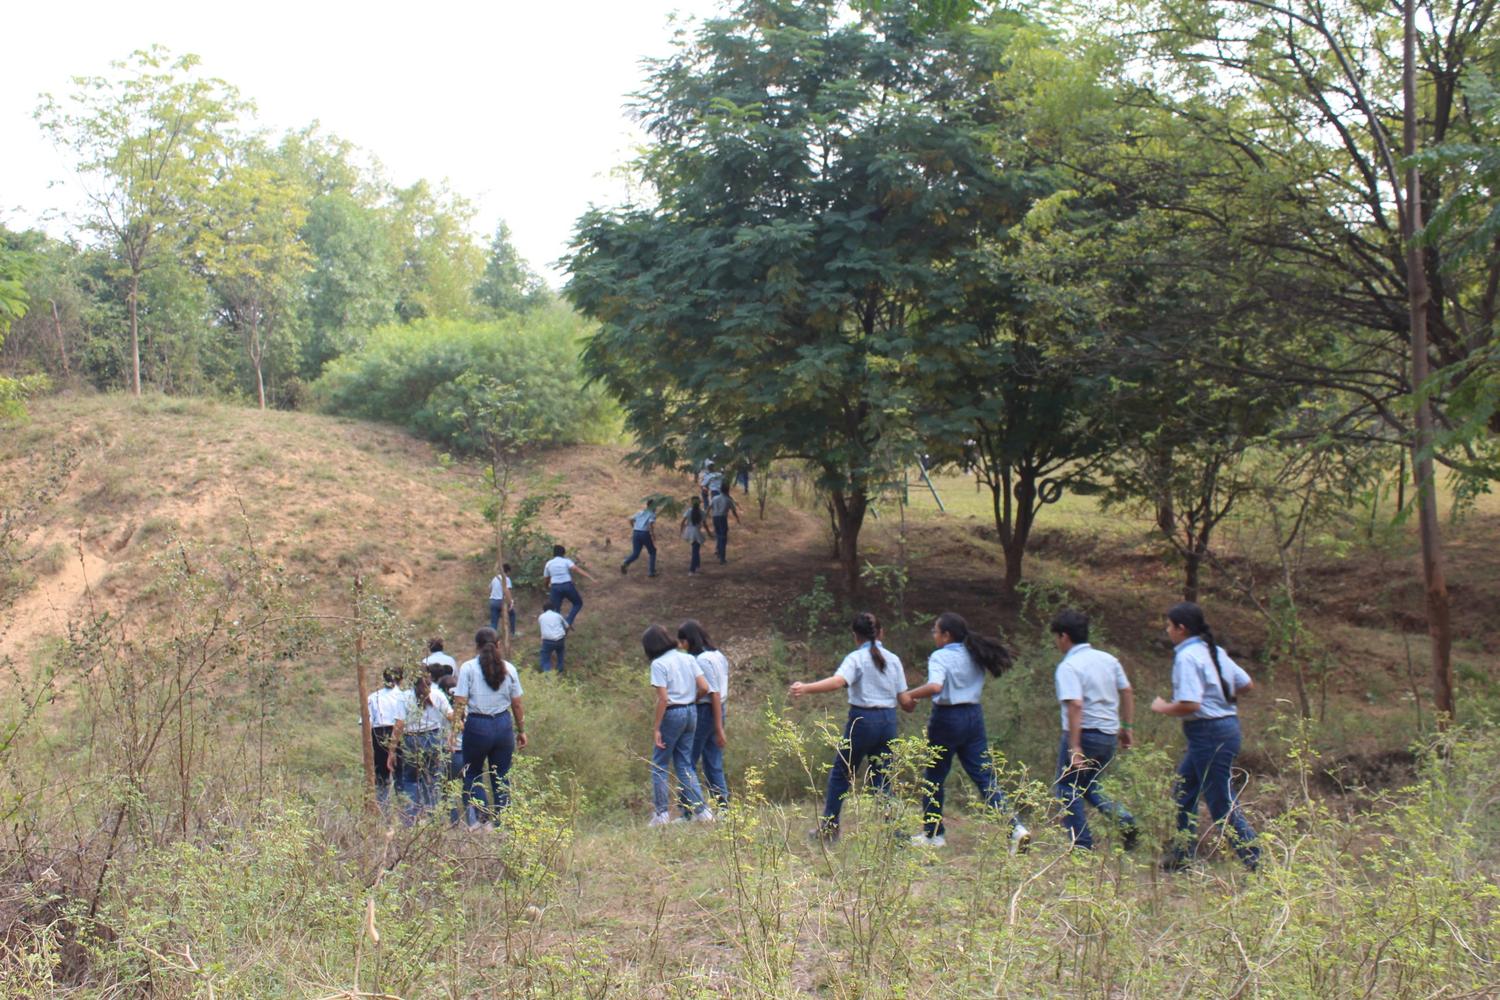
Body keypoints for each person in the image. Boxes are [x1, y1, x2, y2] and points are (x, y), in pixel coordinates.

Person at [899, 612, 1030, 853]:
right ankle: (1015, 829)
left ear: (946, 635)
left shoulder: (940, 656)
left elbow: (936, 686)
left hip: (947, 718)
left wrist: (910, 694)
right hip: (973, 717)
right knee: (984, 777)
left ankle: (933, 834)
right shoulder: (974, 652)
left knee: (935, 777)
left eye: (935, 632)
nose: (934, 636)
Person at [1150, 601, 1259, 871]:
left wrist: (1163, 707)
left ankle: (1256, 861)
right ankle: (1181, 855)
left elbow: (1190, 704)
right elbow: (1246, 683)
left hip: (1209, 732)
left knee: (1220, 800)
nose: (1167, 631)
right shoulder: (1214, 651)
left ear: (1181, 628)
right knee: (1184, 789)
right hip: (1224, 727)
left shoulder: (1187, 657)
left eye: (1169, 626)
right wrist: (1220, 696)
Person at [789, 612, 906, 843]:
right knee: (883, 778)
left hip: (863, 721)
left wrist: (806, 687)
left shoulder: (856, 658)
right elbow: (905, 699)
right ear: (881, 633)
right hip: (889, 721)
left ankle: (830, 829)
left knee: (841, 774)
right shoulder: (893, 659)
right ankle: (895, 834)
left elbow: (838, 681)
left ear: (855, 636)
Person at [1050, 609, 1138, 851]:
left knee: (1067, 788)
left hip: (1084, 734)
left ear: (1064, 637)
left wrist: (1075, 745)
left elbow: (1076, 704)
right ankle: (1125, 820)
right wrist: (1127, 727)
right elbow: (1127, 690)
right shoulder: (1108, 660)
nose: (1057, 643)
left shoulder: (1069, 666)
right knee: (1090, 786)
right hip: (1108, 735)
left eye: (1056, 637)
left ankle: (1082, 845)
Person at [450, 627, 527, 826]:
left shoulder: (468, 668)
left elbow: (460, 700)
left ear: (477, 646)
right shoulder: (509, 669)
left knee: (472, 772)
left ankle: (483, 817)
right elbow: (517, 703)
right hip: (503, 725)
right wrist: (521, 730)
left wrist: (455, 728)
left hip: (477, 724)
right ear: (499, 645)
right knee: (501, 775)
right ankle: (503, 823)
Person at [644, 624, 713, 826]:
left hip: (673, 713)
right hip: (691, 711)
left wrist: (657, 727)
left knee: (659, 765)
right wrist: (691, 699)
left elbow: (663, 699)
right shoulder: (688, 657)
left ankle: (661, 814)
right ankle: (703, 812)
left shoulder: (658, 664)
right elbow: (704, 687)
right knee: (684, 764)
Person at [388, 671, 453, 820]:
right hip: (434, 738)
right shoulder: (438, 695)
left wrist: (392, 750)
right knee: (432, 779)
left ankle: (410, 819)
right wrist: (451, 736)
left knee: (410, 780)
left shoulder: (404, 697)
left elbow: (399, 724)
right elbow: (451, 716)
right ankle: (434, 818)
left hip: (412, 739)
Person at [679, 620, 729, 809]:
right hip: (719, 709)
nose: (682, 646)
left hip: (706, 711)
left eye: (682, 642)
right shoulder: (718, 655)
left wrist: (718, 728)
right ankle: (723, 809)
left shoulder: (701, 660)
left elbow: (712, 692)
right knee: (713, 762)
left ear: (689, 640)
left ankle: (690, 810)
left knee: (687, 761)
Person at [367, 668, 407, 810]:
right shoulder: (403, 696)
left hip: (379, 734)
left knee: (382, 778)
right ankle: (405, 810)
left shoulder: (373, 697)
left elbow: (367, 723)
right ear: (401, 679)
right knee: (401, 775)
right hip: (399, 732)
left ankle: (384, 813)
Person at [437, 674, 473, 827]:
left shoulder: (442, 708)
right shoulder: (469, 707)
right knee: (469, 790)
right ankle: (473, 822)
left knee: (447, 790)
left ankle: (454, 823)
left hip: (448, 753)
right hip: (467, 753)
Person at [542, 545, 592, 627]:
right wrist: (590, 577)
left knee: (555, 609)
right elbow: (576, 569)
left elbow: (546, 578)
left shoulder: (549, 563)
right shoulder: (566, 561)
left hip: (555, 587)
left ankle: (557, 627)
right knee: (578, 603)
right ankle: (568, 622)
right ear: (563, 553)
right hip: (567, 585)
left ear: (553, 553)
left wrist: (546, 586)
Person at [621, 499, 659, 577]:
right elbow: (651, 525)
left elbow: (630, 519)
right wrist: (653, 535)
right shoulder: (652, 514)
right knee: (652, 551)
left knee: (636, 553)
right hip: (644, 533)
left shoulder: (640, 512)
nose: (656, 507)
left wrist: (634, 527)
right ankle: (651, 572)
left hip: (636, 533)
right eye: (655, 506)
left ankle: (626, 562)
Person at [709, 486, 741, 565]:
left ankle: (718, 551)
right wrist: (737, 519)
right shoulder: (728, 499)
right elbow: (733, 511)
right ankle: (722, 558)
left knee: (718, 534)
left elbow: (709, 507)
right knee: (723, 537)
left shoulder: (715, 498)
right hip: (722, 518)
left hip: (715, 517)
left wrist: (706, 516)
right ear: (728, 491)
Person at [538, 600, 568, 673]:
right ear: (553, 608)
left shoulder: (541, 617)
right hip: (560, 640)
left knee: (545, 659)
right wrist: (564, 634)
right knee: (560, 655)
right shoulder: (558, 615)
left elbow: (543, 628)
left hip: (547, 641)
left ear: (543, 610)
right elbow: (567, 626)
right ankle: (560, 671)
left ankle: (548, 677)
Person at [680, 497, 708, 576]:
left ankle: (697, 566)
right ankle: (692, 570)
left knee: (695, 549)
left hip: (689, 531)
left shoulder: (689, 511)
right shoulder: (702, 512)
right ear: (699, 503)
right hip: (696, 531)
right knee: (695, 551)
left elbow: (682, 522)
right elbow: (705, 524)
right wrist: (709, 533)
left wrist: (682, 531)